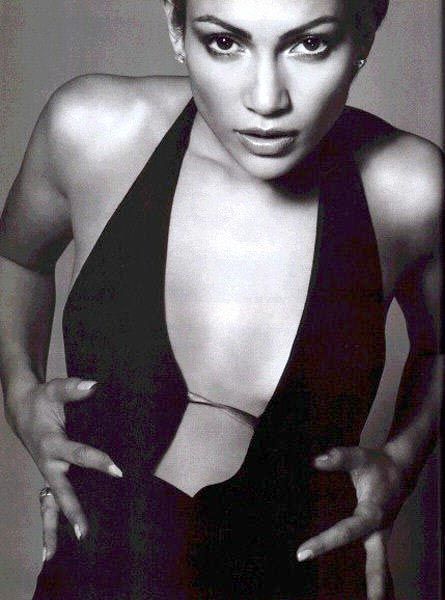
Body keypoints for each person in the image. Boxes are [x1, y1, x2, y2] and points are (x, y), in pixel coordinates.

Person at [0, 0, 442, 598]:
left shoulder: (408, 189)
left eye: (309, 44)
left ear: (365, 32)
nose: (266, 99)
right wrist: (21, 393)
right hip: (97, 578)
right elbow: (18, 258)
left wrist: (401, 463)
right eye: (226, 43)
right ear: (177, 28)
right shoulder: (94, 133)